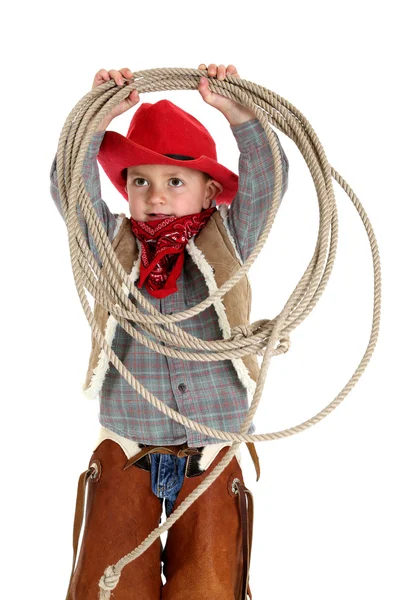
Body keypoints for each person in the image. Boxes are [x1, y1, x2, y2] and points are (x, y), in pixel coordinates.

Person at [50, 63, 289, 599]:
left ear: (209, 194)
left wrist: (239, 115)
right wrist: (94, 123)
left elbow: (267, 188)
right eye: (141, 182)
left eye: (175, 182)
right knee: (106, 586)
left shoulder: (227, 242)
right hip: (129, 444)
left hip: (209, 451)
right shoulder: (113, 249)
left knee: (209, 587)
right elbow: (74, 195)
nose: (155, 196)